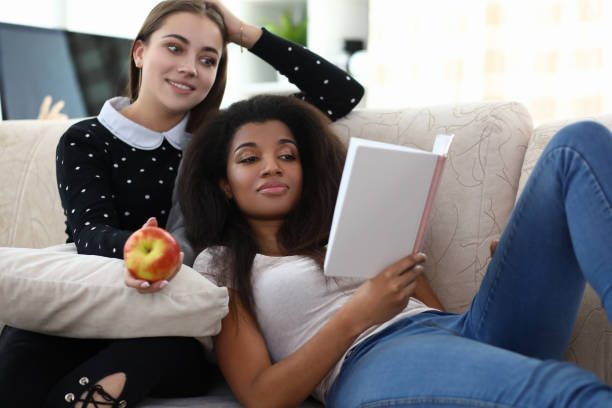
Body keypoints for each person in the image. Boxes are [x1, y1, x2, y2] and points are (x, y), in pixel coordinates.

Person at [0, 0, 365, 406]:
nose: (191, 67)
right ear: (140, 52)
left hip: (168, 323)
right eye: (175, 48)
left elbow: (341, 92)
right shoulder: (85, 139)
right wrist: (140, 251)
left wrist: (245, 34)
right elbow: (89, 232)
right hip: (89, 300)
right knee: (17, 363)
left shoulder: (222, 144)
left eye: (208, 59)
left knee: (153, 357)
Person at [178, 94, 612, 407]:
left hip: (456, 333)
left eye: (287, 155)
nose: (272, 165)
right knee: (566, 391)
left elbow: (442, 324)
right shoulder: (221, 263)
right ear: (224, 184)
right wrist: (357, 315)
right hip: (368, 362)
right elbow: (260, 395)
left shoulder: (356, 225)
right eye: (249, 158)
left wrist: (509, 276)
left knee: (576, 145)